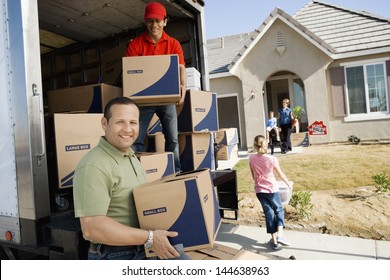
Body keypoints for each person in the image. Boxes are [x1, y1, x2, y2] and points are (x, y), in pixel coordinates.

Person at [73, 96, 189, 260]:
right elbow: (92, 228)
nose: (128, 129)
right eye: (120, 122)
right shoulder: (93, 165)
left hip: (143, 244)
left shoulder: (130, 155)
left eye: (133, 123)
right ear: (105, 124)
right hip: (116, 254)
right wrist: (150, 238)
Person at [125, 2, 187, 172]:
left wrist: (183, 88)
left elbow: (181, 68)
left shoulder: (173, 44)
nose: (154, 25)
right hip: (144, 101)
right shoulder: (135, 45)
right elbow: (130, 73)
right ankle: (135, 172)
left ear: (165, 21)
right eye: (150, 21)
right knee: (137, 137)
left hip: (167, 99)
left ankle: (174, 170)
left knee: (173, 138)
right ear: (145, 22)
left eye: (158, 21)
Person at [249, 135, 293, 250]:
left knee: (269, 214)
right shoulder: (272, 159)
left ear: (254, 145)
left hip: (259, 191)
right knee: (278, 210)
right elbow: (280, 174)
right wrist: (288, 184)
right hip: (272, 190)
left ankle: (274, 242)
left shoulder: (251, 158)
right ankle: (280, 236)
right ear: (266, 145)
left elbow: (253, 175)